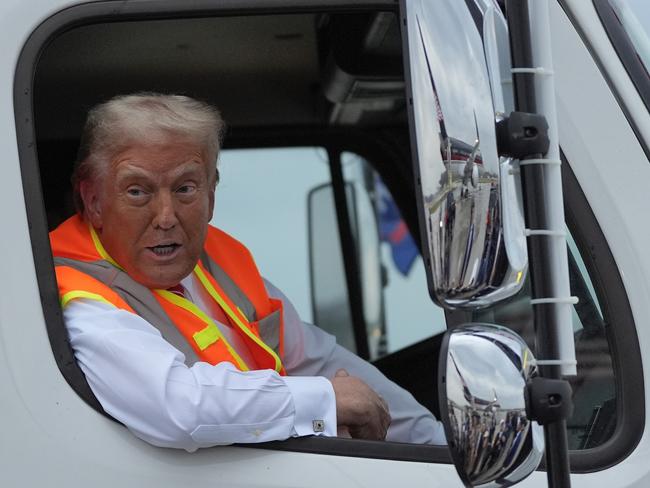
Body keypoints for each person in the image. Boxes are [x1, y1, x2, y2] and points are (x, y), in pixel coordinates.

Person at [50, 93, 446, 451]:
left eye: (185, 188)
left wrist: (437, 449)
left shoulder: (219, 264)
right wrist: (323, 400)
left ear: (211, 194)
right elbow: (179, 408)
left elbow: (319, 360)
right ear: (94, 201)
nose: (166, 217)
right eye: (138, 191)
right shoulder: (78, 295)